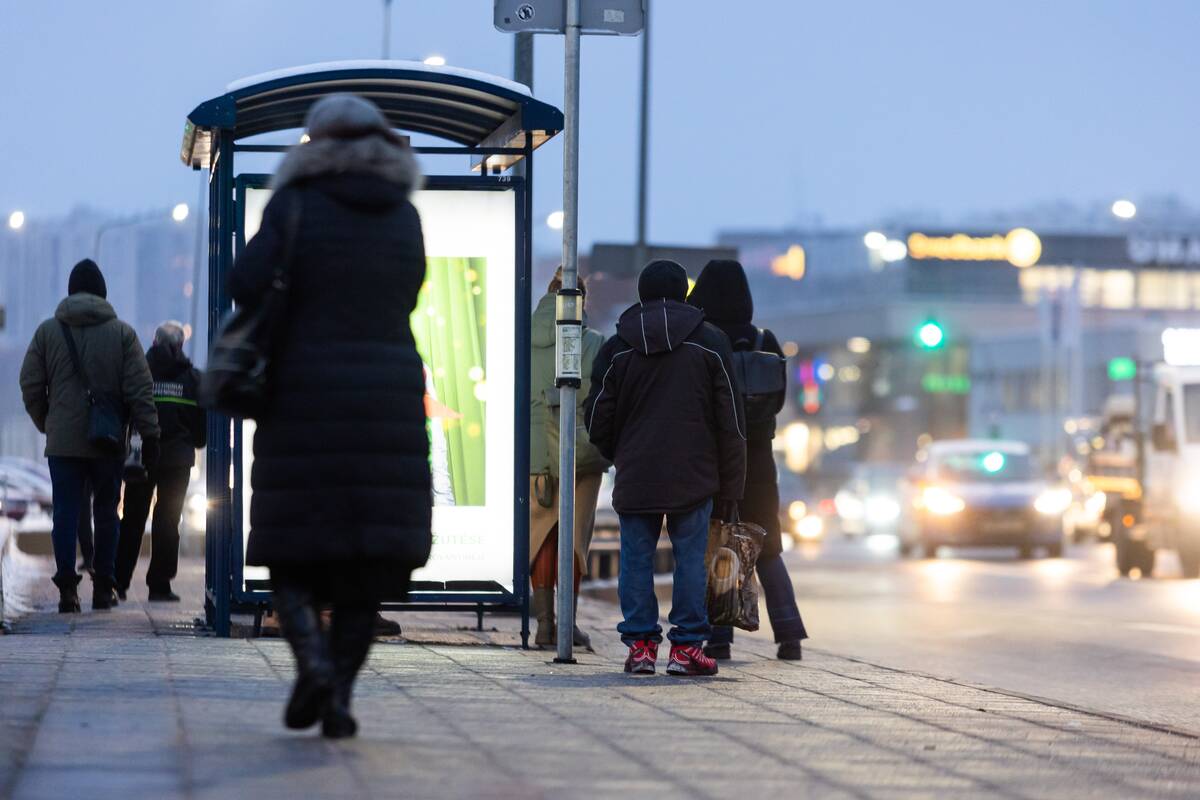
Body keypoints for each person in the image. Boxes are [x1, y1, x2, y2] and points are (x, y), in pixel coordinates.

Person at [228, 94, 431, 739]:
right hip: (387, 399)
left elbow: (246, 280)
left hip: (302, 394)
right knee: (363, 566)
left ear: (313, 142)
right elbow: (410, 289)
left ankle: (311, 665)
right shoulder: (402, 215)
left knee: (292, 555)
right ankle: (339, 695)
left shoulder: (293, 206)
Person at [586, 260, 746, 677]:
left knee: (635, 559)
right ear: (683, 292)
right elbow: (731, 419)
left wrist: (620, 451)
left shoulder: (618, 345)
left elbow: (596, 416)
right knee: (690, 560)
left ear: (641, 292)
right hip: (695, 472)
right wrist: (732, 482)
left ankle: (640, 647)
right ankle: (686, 649)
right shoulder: (710, 342)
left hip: (637, 469)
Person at [19, 259, 160, 613]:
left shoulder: (47, 332)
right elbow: (140, 390)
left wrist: (48, 422)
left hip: (64, 444)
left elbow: (30, 384)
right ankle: (103, 588)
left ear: (70, 292)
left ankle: (68, 589)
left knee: (64, 513)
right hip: (108, 440)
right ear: (102, 293)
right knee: (107, 513)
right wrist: (150, 434)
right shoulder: (123, 334)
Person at [688, 259, 809, 661]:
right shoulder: (765, 340)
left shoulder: (702, 339)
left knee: (721, 543)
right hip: (759, 460)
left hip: (714, 456)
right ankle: (789, 635)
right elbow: (777, 401)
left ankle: (719, 638)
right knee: (768, 547)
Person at [529, 268, 609, 649]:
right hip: (579, 455)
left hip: (532, 459)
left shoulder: (520, 337)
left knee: (540, 537)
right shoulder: (594, 344)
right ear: (581, 301)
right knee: (573, 540)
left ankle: (544, 625)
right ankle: (567, 625)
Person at [115, 321, 206, 602]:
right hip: (178, 460)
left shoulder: (139, 374)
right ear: (180, 345)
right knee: (168, 521)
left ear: (154, 342)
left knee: (132, 519)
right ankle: (160, 585)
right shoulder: (192, 380)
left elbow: (125, 414)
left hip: (142, 456)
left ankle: (119, 581)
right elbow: (201, 429)